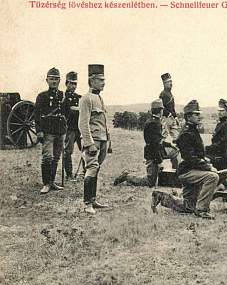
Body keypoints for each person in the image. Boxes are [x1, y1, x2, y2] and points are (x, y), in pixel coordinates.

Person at [152, 100, 219, 219]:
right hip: (187, 171)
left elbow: (196, 155)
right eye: (196, 114)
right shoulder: (187, 133)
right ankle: (202, 210)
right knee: (212, 176)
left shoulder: (191, 130)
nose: (199, 116)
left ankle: (161, 197)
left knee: (188, 207)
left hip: (190, 170)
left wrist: (205, 160)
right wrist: (207, 166)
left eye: (199, 114)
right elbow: (190, 159)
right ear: (188, 116)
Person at [113, 99, 178, 187]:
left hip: (155, 153)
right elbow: (154, 145)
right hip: (152, 155)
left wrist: (170, 145)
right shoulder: (153, 123)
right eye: (162, 110)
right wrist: (159, 162)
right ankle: (127, 177)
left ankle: (175, 175)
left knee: (175, 152)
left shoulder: (155, 121)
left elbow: (158, 141)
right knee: (149, 182)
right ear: (160, 111)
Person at [79, 64, 110, 214]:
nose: (104, 82)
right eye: (100, 80)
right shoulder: (86, 99)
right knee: (91, 169)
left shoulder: (99, 98)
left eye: (104, 79)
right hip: (93, 142)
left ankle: (93, 199)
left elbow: (103, 121)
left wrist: (108, 141)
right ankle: (87, 204)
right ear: (92, 81)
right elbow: (83, 123)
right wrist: (89, 143)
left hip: (102, 140)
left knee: (96, 169)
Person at [34, 67, 67, 194]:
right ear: (47, 80)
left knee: (56, 157)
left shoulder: (62, 95)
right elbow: (36, 115)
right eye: (52, 79)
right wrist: (39, 131)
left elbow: (66, 113)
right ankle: (46, 184)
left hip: (60, 131)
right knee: (47, 157)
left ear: (59, 81)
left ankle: (52, 182)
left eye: (56, 79)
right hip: (47, 131)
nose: (54, 81)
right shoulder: (41, 96)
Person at [205, 98, 227, 189]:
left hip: (221, 156)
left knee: (218, 178)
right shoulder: (220, 124)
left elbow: (222, 144)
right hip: (217, 154)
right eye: (219, 111)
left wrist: (208, 148)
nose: (220, 113)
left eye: (222, 111)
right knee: (221, 178)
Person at [61, 71, 82, 181]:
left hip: (80, 129)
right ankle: (69, 174)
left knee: (85, 149)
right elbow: (67, 111)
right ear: (66, 84)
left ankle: (86, 172)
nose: (73, 86)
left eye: (75, 84)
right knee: (68, 151)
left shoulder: (79, 98)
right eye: (71, 83)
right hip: (70, 129)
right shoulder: (63, 98)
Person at [158, 72, 180, 169]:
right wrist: (169, 114)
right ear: (164, 83)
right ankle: (161, 162)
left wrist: (175, 117)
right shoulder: (162, 94)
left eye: (171, 81)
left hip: (171, 119)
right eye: (168, 82)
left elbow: (172, 108)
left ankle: (175, 159)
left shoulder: (170, 93)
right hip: (166, 119)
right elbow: (161, 108)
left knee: (177, 138)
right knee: (165, 138)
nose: (170, 84)